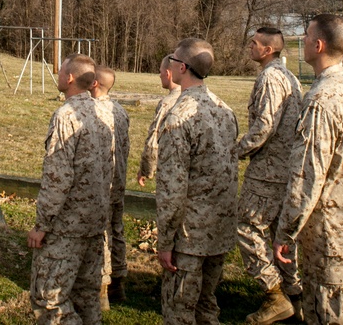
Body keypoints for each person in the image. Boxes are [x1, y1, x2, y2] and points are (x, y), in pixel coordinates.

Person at [274, 14, 343, 324]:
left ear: (319, 44)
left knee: (332, 315)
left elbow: (307, 175)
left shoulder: (322, 100)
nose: (303, 41)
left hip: (333, 234)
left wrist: (286, 230)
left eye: (307, 36)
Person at [156, 38, 239, 325]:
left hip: (189, 236)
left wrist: (165, 241)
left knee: (180, 311)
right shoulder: (224, 109)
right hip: (220, 229)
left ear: (181, 67)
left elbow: (172, 188)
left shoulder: (178, 117)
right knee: (207, 306)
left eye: (172, 58)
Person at [28, 54, 111, 325]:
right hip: (95, 221)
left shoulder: (67, 115)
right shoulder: (103, 113)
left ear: (70, 77)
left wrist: (42, 225)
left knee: (48, 299)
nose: (59, 73)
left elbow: (58, 176)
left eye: (61, 69)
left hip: (67, 225)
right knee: (86, 297)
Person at [237, 27, 304, 324]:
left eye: (255, 44)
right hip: (286, 168)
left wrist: (237, 150)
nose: (250, 47)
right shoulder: (289, 76)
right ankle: (296, 297)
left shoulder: (270, 77)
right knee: (281, 234)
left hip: (269, 170)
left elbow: (264, 126)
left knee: (248, 227)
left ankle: (273, 295)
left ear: (267, 50)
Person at [91, 66, 130, 306]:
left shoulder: (92, 111)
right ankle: (119, 282)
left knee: (101, 234)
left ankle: (102, 288)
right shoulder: (120, 110)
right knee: (117, 229)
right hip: (118, 180)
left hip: (101, 183)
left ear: (94, 83)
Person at [137, 54, 182, 187]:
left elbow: (153, 142)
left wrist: (146, 170)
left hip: (172, 176)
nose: (159, 75)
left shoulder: (166, 104)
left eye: (160, 72)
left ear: (167, 73)